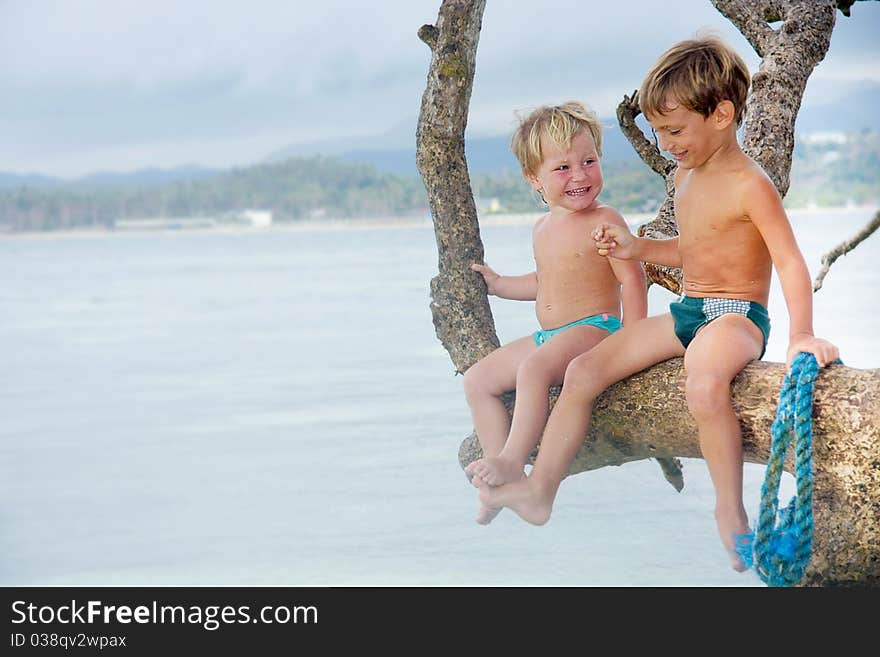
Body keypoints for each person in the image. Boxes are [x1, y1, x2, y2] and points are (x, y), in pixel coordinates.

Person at [475, 36, 839, 571]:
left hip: (736, 316)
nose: (666, 144)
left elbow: (788, 261)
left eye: (673, 131)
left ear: (721, 114)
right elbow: (695, 251)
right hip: (691, 311)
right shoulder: (687, 177)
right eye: (658, 133)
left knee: (704, 381)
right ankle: (539, 490)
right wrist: (639, 249)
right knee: (582, 370)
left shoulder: (750, 185)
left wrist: (800, 334)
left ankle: (728, 508)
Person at [462, 101, 647, 525]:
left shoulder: (604, 219)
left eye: (589, 161)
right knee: (478, 381)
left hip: (596, 329)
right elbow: (546, 282)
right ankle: (497, 481)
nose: (580, 175)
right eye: (563, 168)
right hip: (554, 334)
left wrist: (633, 342)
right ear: (535, 179)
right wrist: (499, 285)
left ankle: (512, 461)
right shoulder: (543, 228)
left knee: (533, 369)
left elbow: (632, 280)